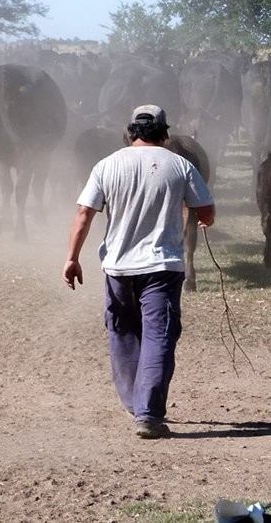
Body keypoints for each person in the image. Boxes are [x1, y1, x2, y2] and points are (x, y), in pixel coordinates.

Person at [63, 104, 215, 439]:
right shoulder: (181, 165)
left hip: (118, 268)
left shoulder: (107, 165)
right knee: (158, 336)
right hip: (162, 268)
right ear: (165, 133)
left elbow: (83, 214)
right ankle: (146, 413)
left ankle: (135, 402)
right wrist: (202, 218)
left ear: (131, 132)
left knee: (123, 333)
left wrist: (72, 258)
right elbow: (206, 211)